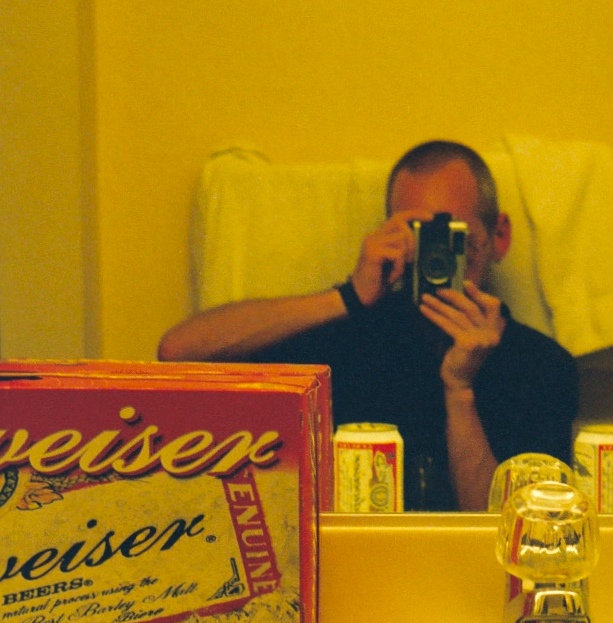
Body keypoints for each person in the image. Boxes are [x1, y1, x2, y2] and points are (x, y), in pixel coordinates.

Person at [158, 141, 579, 511]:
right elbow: (179, 352)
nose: (437, 264)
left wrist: (460, 390)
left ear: (499, 236)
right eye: (421, 240)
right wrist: (347, 297)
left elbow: (509, 542)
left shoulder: (542, 368)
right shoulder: (352, 340)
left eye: (454, 242)